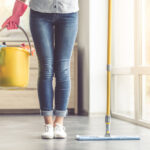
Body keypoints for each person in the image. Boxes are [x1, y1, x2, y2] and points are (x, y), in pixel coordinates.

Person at [1, 0, 79, 139]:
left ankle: (59, 123)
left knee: (63, 67)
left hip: (69, 13)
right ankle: (48, 124)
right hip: (40, 13)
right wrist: (16, 14)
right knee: (46, 67)